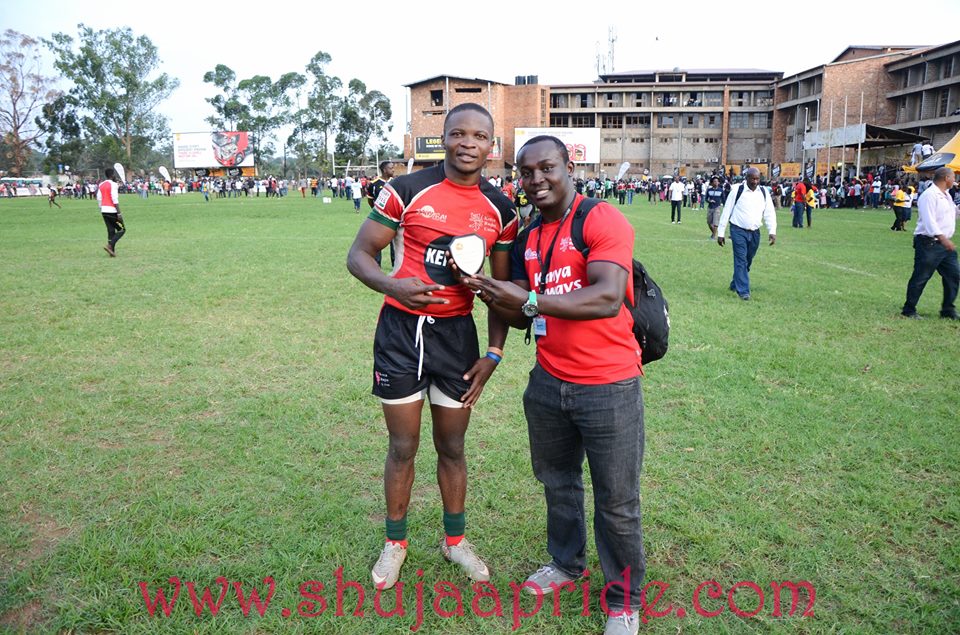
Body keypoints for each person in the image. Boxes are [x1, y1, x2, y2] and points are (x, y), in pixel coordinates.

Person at [461, 134, 646, 635]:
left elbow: (607, 297)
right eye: (526, 172)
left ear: (569, 167)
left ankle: (624, 601)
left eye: (546, 168)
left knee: (617, 500)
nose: (536, 179)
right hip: (548, 383)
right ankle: (566, 564)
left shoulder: (600, 218)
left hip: (609, 385)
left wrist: (530, 300)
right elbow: (521, 317)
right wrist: (486, 290)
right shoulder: (528, 234)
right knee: (558, 484)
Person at [346, 103, 518, 591]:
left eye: (479, 136)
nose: (468, 143)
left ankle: (455, 540)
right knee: (402, 446)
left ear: (492, 146)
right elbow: (359, 254)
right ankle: (395, 544)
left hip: (457, 339)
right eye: (458, 133)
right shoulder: (406, 189)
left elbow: (501, 293)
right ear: (442, 138)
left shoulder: (502, 210)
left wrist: (495, 353)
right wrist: (392, 285)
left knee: (452, 445)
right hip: (401, 334)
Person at [900, 167, 959, 320]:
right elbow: (929, 221)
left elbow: (954, 213)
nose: (955, 180)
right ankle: (909, 309)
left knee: (954, 275)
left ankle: (947, 309)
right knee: (921, 276)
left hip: (944, 246)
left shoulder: (946, 196)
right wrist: (943, 238)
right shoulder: (929, 195)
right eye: (953, 177)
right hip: (929, 243)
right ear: (946, 178)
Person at [716, 167, 777, 300]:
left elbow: (769, 212)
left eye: (757, 179)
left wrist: (772, 231)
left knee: (747, 260)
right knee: (740, 259)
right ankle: (743, 291)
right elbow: (727, 210)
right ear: (747, 178)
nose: (755, 181)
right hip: (738, 230)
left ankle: (735, 283)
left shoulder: (763, 192)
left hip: (755, 232)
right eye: (752, 179)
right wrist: (721, 232)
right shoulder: (737, 190)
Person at [365, 160, 397, 267]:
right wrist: (376, 211)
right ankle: (376, 266)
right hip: (379, 220)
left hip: (394, 219)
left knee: (394, 244)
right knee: (378, 243)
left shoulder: (396, 182)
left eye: (393, 168)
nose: (393, 170)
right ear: (384, 170)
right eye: (391, 168)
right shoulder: (374, 184)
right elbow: (370, 200)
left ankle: (395, 265)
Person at [97, 167, 125, 257]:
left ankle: (111, 252)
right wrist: (119, 213)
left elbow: (99, 198)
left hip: (104, 210)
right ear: (112, 175)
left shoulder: (101, 184)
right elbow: (114, 198)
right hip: (112, 210)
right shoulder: (113, 184)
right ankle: (110, 246)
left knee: (111, 230)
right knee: (122, 229)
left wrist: (101, 208)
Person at [705, 176, 724, 240]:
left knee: (715, 222)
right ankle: (714, 233)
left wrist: (724, 205)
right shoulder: (709, 190)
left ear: (718, 182)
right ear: (712, 182)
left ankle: (713, 236)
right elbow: (706, 199)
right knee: (709, 222)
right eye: (714, 181)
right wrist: (709, 201)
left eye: (717, 181)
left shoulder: (721, 190)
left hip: (717, 207)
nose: (716, 182)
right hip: (710, 207)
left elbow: (724, 199)